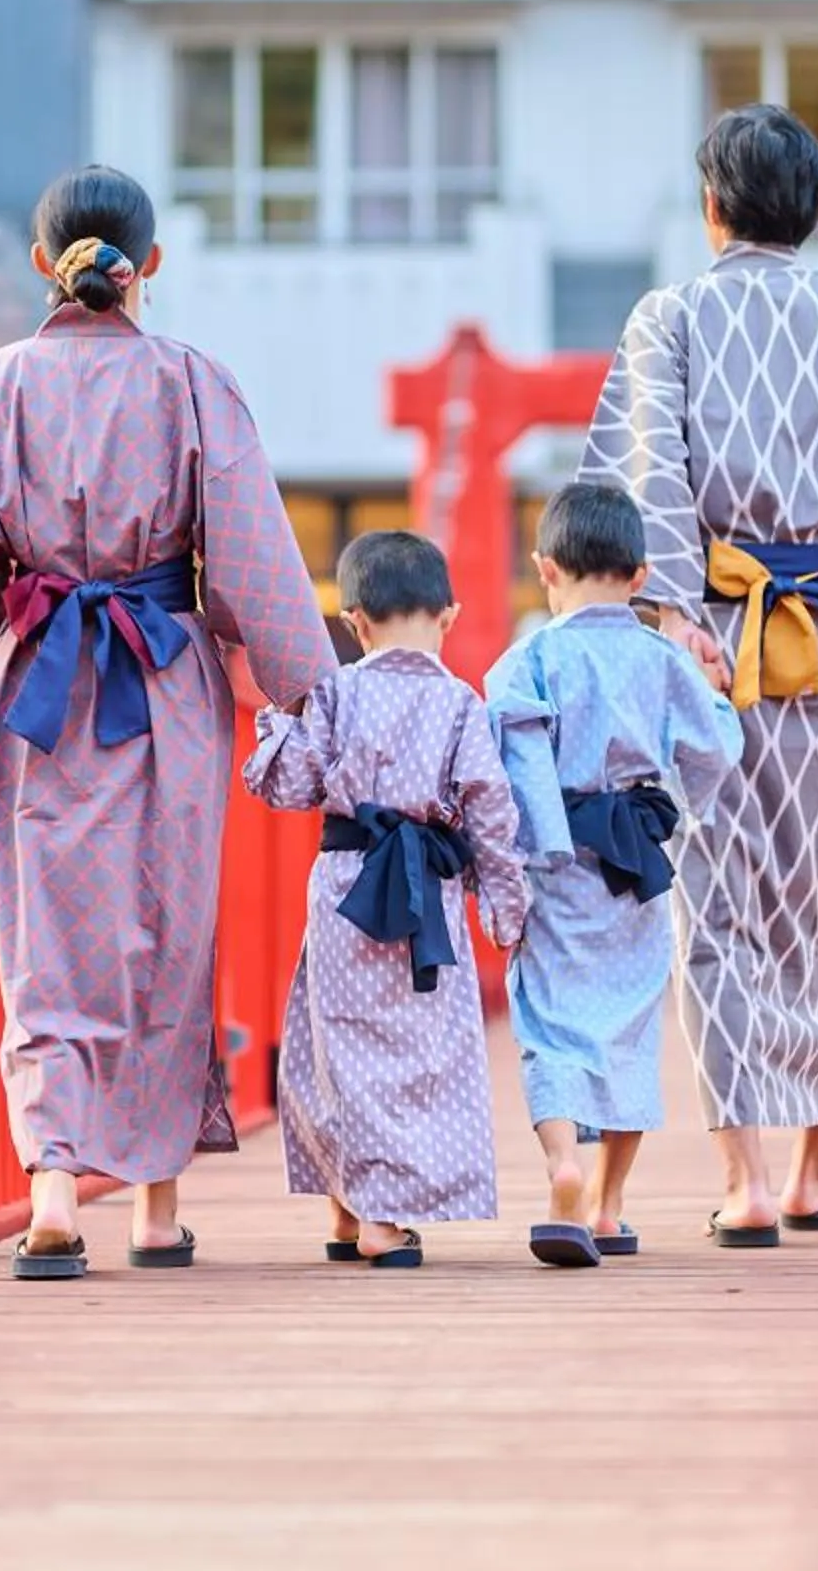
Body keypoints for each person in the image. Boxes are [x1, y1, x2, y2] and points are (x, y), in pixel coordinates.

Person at [0, 164, 338, 1282]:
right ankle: (156, 1210)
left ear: (41, 267)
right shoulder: (193, 382)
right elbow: (254, 560)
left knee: (44, 938)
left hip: (38, 688)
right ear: (150, 265)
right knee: (165, 931)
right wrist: (313, 693)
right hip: (164, 682)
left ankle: (53, 1185)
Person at [581, 103, 818, 1245]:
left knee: (718, 899)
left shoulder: (672, 316)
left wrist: (671, 614)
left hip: (710, 636)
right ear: (814, 208)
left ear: (711, 208)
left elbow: (647, 477)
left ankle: (744, 1178)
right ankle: (814, 1171)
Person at [243, 531, 530, 1270]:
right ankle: (385, 1217)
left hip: (344, 886)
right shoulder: (461, 703)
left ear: (354, 620)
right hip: (425, 893)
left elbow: (290, 785)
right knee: (416, 1050)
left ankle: (348, 1210)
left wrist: (278, 720)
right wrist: (502, 898)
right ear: (450, 617)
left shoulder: (336, 692)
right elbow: (489, 808)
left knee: (340, 1046)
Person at [485, 485, 742, 1268]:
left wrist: (523, 850)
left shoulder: (528, 658)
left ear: (545, 570)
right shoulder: (661, 657)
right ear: (638, 578)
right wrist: (721, 698)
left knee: (550, 1024)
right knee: (628, 1026)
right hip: (633, 864)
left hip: (554, 863)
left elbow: (497, 755)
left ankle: (563, 1162)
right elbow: (714, 750)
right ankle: (607, 1202)